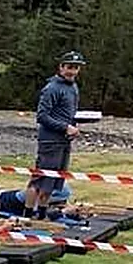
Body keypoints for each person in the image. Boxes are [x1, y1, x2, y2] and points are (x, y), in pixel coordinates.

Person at [29, 51, 85, 220]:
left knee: (54, 182)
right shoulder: (52, 88)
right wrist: (65, 127)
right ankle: (27, 215)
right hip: (50, 141)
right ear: (61, 67)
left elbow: (68, 113)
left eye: (76, 68)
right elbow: (42, 116)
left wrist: (74, 126)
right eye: (69, 67)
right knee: (39, 180)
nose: (72, 71)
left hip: (64, 141)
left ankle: (41, 216)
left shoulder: (73, 87)